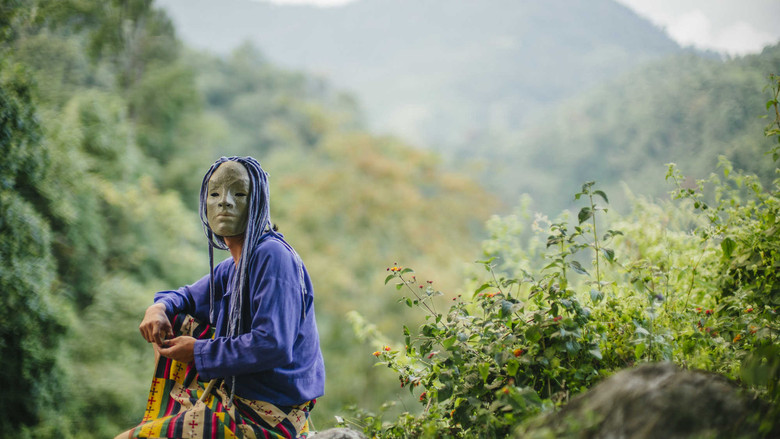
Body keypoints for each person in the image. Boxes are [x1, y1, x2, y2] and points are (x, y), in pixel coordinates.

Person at [117, 156, 325, 439]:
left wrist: (198, 351)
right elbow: (185, 296)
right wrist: (157, 308)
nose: (224, 202)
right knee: (174, 318)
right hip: (237, 394)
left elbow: (273, 344)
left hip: (270, 410)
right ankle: (183, 412)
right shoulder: (233, 266)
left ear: (258, 203)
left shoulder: (272, 256)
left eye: (238, 194)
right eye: (215, 194)